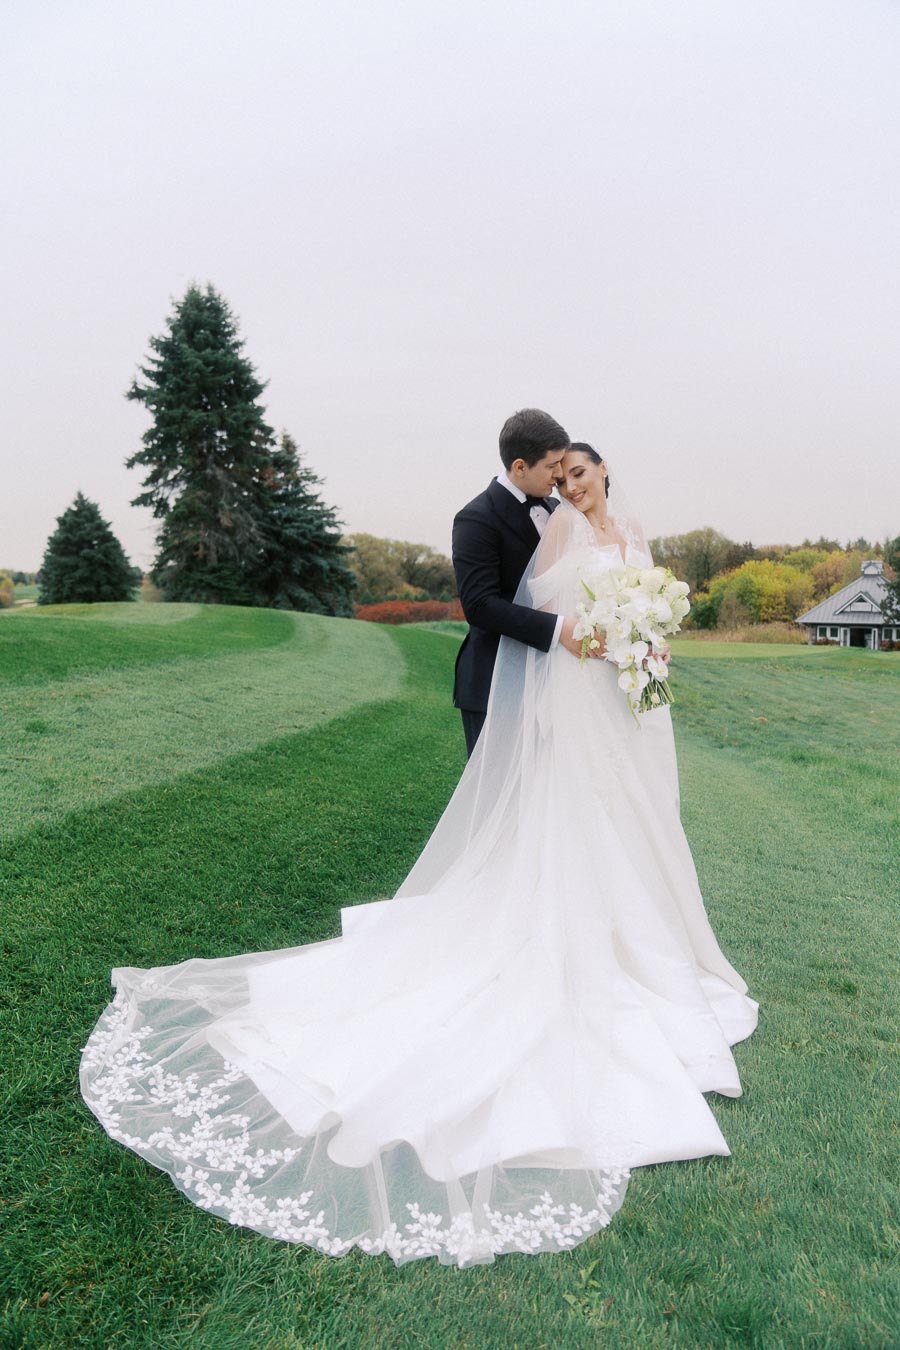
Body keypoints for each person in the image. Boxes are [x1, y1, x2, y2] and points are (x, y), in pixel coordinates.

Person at [79, 438, 758, 1269]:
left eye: (580, 472)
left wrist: (647, 643)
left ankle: (640, 943)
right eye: (561, 473)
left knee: (640, 829)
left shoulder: (636, 532)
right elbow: (530, 612)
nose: (570, 485)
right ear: (538, 470)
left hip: (632, 706)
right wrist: (584, 637)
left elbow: (646, 616)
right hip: (578, 700)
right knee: (577, 834)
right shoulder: (551, 536)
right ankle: (579, 946)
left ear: (606, 470)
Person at [452, 409, 599, 758]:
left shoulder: (558, 509)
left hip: (555, 683)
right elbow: (479, 605)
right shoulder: (476, 518)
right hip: (493, 683)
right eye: (552, 466)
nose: (560, 474)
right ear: (520, 467)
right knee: (497, 807)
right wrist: (560, 629)